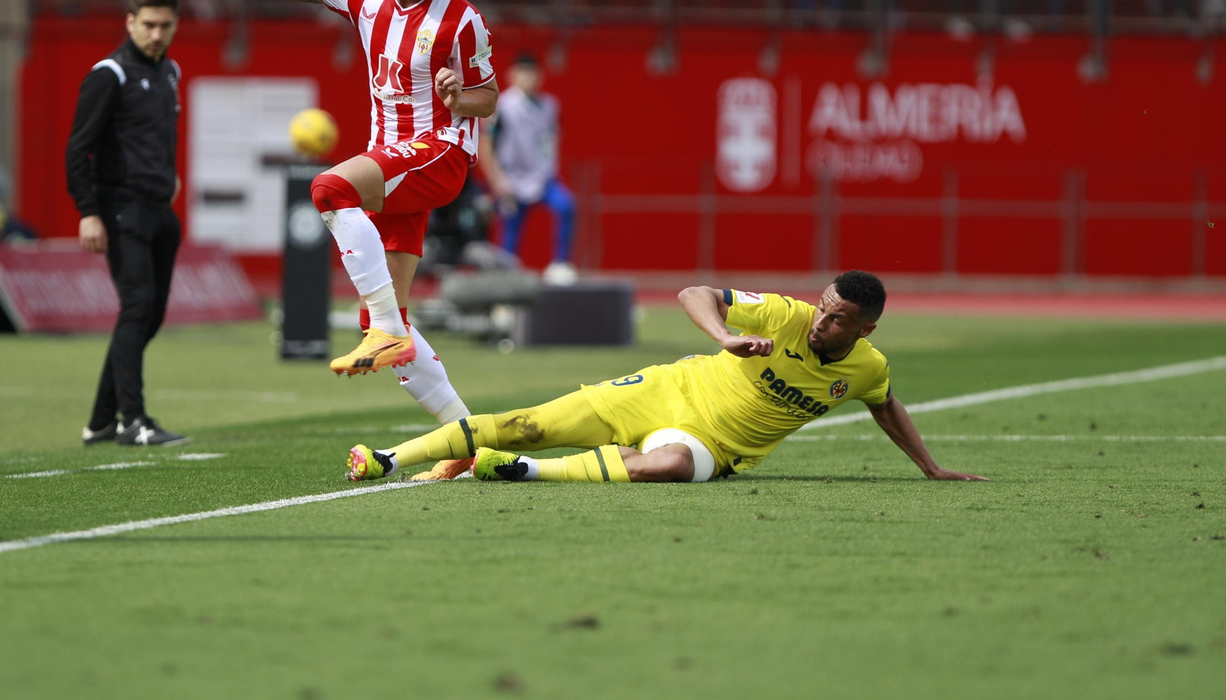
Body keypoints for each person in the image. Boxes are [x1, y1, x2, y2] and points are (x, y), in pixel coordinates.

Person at [346, 272, 988, 486]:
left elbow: (886, 404)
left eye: (838, 319)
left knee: (671, 465)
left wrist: (930, 467)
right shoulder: (784, 315)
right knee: (532, 423)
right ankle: (386, 457)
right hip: (669, 388)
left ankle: (514, 470)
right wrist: (725, 337)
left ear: (864, 331)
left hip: (719, 446)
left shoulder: (867, 368)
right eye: (822, 307)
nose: (822, 322)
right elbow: (694, 291)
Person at [256, 0, 492, 480]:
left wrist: (459, 95)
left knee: (329, 188)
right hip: (393, 163)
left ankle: (385, 327)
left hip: (438, 153)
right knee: (390, 326)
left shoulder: (461, 19)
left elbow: (488, 96)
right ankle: (462, 443)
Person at [65, 0, 188, 449]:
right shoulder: (109, 74)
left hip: (160, 210)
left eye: (166, 25)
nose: (157, 34)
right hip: (121, 208)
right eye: (149, 25)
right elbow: (79, 148)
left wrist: (170, 175)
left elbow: (158, 136)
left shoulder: (169, 72)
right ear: (130, 22)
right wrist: (87, 212)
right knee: (137, 307)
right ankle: (132, 420)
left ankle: (99, 421)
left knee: (149, 317)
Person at [478, 52, 575, 282]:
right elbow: (485, 143)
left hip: (542, 177)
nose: (528, 77)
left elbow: (550, 140)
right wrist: (497, 180)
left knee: (566, 206)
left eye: (533, 72)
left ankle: (560, 265)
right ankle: (506, 279)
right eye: (522, 72)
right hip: (511, 178)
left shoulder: (550, 105)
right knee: (510, 229)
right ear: (511, 75)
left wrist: (550, 169)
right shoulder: (501, 105)